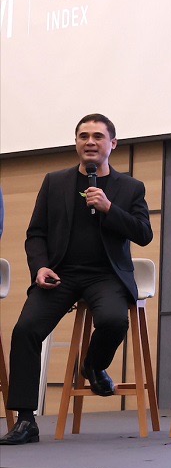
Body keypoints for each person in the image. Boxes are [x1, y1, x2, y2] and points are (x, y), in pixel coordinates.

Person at [1, 114, 153, 446]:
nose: (90, 142)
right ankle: (26, 420)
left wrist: (110, 208)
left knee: (113, 321)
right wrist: (40, 267)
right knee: (25, 330)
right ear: (76, 143)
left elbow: (144, 234)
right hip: (62, 273)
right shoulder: (54, 182)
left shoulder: (130, 187)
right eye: (83, 136)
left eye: (98, 136)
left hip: (106, 275)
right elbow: (36, 234)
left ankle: (94, 366)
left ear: (113, 144)